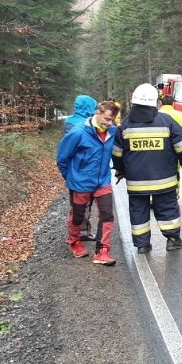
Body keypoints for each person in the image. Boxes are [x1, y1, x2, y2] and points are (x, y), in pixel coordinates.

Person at [112, 84, 182, 253]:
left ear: (134, 102)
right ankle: (173, 240)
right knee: (167, 209)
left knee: (138, 211)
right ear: (155, 102)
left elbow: (117, 153)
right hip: (164, 180)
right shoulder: (166, 121)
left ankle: (142, 245)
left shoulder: (124, 125)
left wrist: (121, 170)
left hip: (136, 182)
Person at [56, 100, 120, 265]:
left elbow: (118, 152)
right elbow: (62, 158)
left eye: (112, 120)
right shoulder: (78, 133)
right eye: (106, 118)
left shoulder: (112, 132)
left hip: (103, 181)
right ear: (97, 113)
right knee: (78, 216)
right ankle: (74, 241)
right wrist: (70, 177)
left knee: (107, 214)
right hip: (80, 183)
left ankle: (102, 251)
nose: (108, 123)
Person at [63, 95, 99, 242]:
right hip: (87, 170)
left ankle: (77, 232)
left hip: (73, 170)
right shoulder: (87, 124)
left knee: (76, 203)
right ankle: (81, 232)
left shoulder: (68, 121)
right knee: (85, 203)